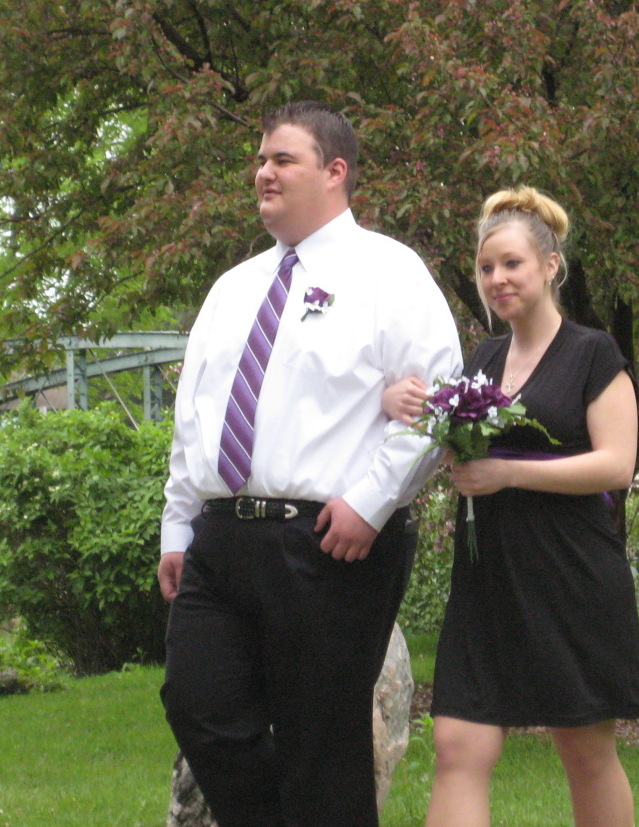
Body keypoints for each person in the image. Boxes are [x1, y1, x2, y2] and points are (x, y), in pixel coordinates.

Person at [158, 101, 462, 827]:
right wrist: (178, 525)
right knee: (197, 704)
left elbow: (439, 400)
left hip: (329, 541)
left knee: (322, 744)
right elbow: (194, 418)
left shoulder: (388, 272)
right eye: (260, 159)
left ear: (334, 171)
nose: (263, 172)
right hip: (220, 539)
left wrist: (372, 502)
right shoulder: (233, 288)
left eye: (282, 159)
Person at [383, 186, 639, 827]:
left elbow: (617, 465)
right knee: (457, 745)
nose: (496, 278)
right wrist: (401, 405)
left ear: (551, 266)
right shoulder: (483, 359)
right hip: (488, 578)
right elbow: (450, 440)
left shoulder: (592, 353)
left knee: (584, 749)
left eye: (511, 263)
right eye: (485, 267)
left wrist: (508, 473)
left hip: (571, 574)